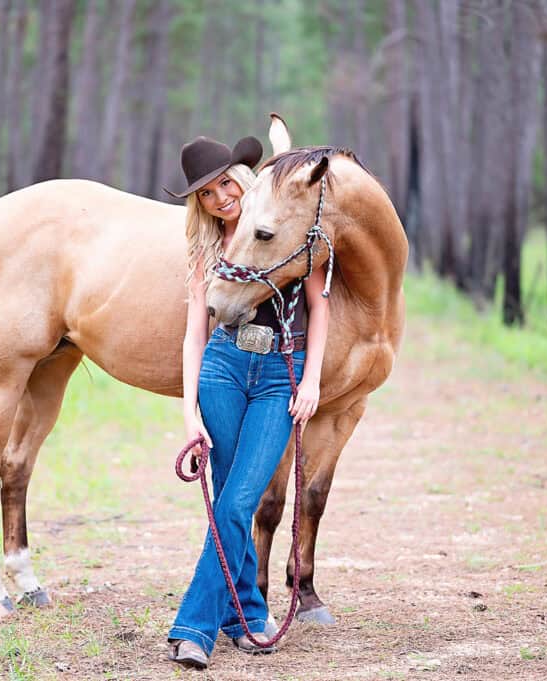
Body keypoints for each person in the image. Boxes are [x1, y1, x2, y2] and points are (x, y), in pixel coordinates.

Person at [162, 136, 330, 670]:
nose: (219, 198)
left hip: (282, 376)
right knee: (230, 502)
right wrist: (189, 412)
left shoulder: (288, 225)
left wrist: (312, 381)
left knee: (237, 503)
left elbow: (319, 308)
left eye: (225, 183)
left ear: (243, 176)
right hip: (223, 369)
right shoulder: (206, 250)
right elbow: (195, 335)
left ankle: (193, 627)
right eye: (206, 194)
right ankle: (247, 612)